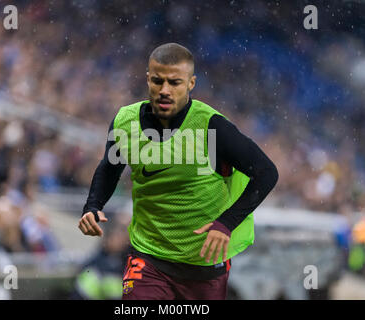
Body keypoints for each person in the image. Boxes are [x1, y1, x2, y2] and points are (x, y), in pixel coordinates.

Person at [78, 43, 278, 300]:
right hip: (148, 258)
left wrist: (226, 224)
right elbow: (109, 167)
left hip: (203, 268)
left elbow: (266, 172)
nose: (164, 90)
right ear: (148, 78)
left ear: (191, 83)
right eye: (158, 81)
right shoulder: (125, 121)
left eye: (175, 83)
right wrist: (93, 205)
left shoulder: (211, 127)